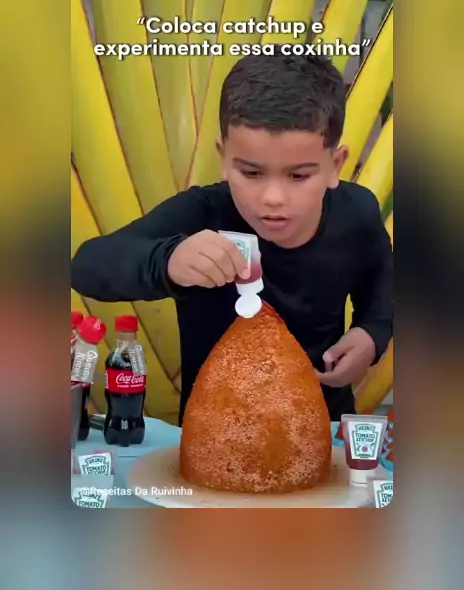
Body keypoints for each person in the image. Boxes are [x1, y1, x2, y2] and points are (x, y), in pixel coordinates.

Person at [71, 48, 393, 424]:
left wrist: (371, 335)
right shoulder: (202, 214)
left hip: (324, 425)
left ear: (335, 165)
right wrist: (169, 261)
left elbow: (383, 288)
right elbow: (87, 266)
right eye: (252, 173)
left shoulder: (357, 213)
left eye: (299, 176)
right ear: (224, 159)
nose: (273, 198)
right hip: (214, 433)